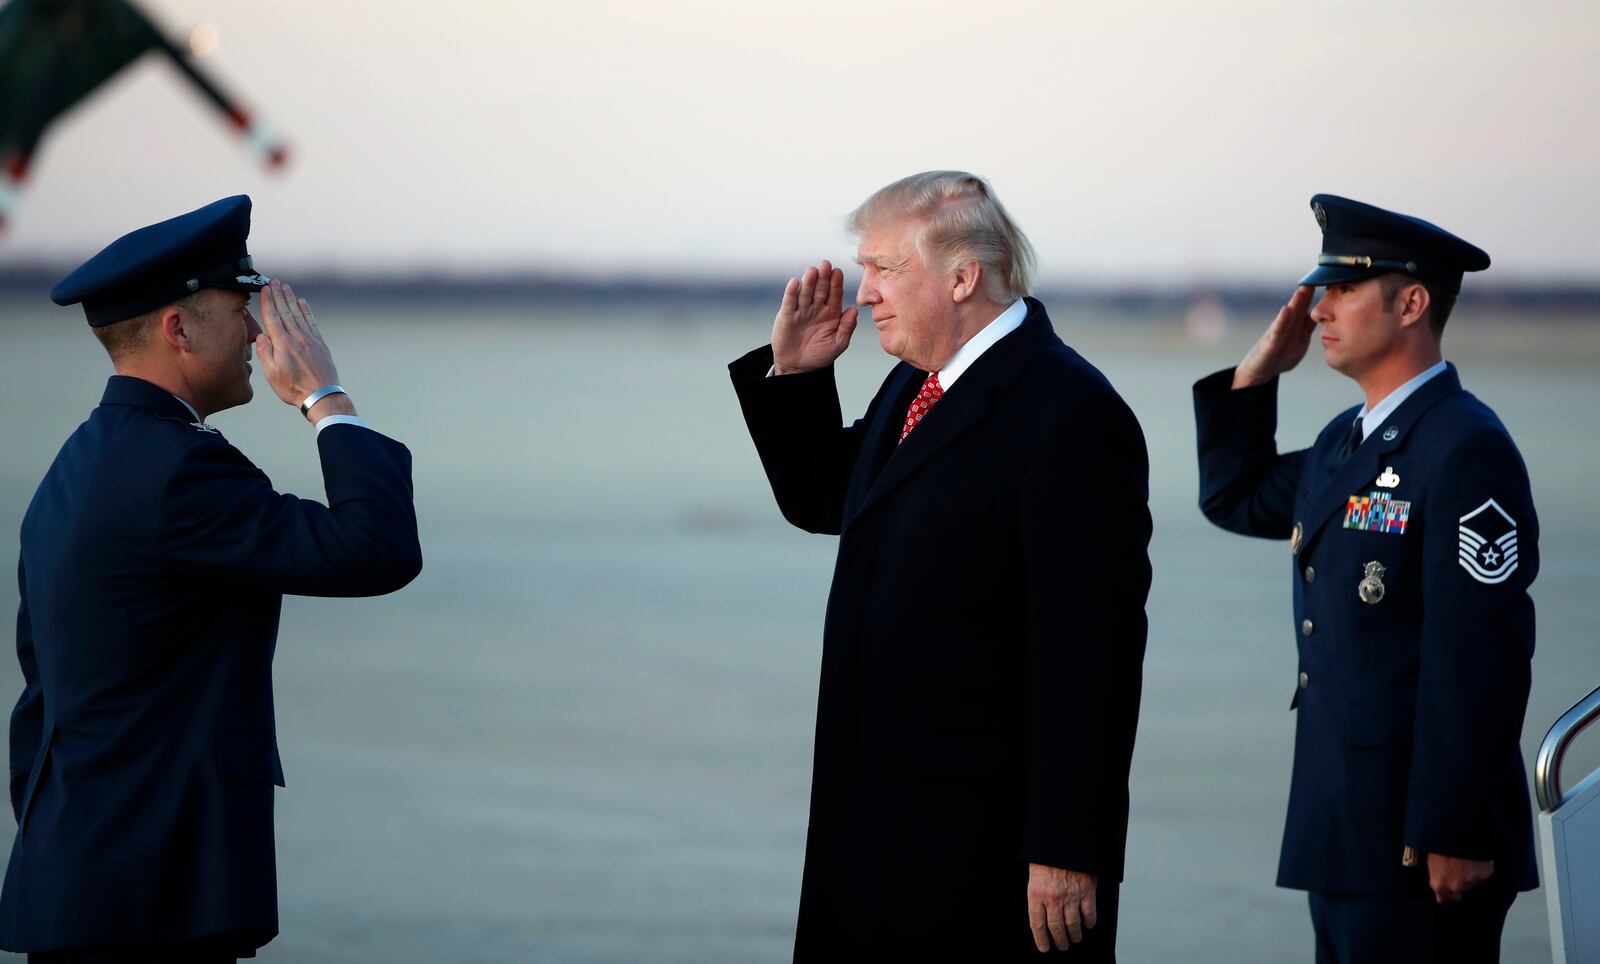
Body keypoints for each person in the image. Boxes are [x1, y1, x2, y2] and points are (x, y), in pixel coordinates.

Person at [729, 171, 1151, 960]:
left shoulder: (1071, 414)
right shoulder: (914, 383)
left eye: (885, 269)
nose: (865, 294)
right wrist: (797, 375)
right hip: (877, 829)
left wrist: (1068, 848)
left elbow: (1092, 658)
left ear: (963, 278)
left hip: (988, 854)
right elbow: (831, 498)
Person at [2, 195, 422, 962]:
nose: (259, 332)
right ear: (178, 327)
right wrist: (325, 397)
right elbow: (377, 547)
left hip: (79, 886)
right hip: (152, 903)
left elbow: (40, 704)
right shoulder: (180, 470)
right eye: (241, 308)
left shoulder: (72, 469)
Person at [1192, 194, 1539, 962]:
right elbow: (1233, 496)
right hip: (1347, 830)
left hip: (1422, 845)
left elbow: (1480, 655)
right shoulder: (1345, 443)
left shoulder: (1463, 446)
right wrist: (1257, 372)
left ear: (1411, 302)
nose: (1318, 309)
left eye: (1344, 289)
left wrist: (1454, 828)